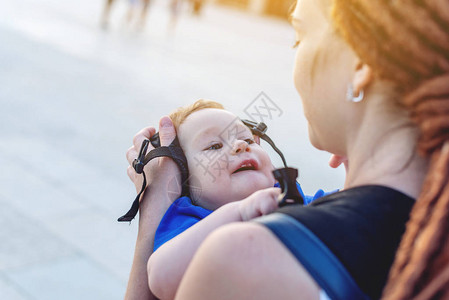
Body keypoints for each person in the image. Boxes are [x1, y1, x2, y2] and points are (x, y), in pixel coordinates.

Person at [126, 0, 449, 299]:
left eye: (299, 36)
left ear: (361, 63)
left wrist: (154, 204)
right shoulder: (430, 218)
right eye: (213, 145)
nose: (240, 145)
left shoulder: (243, 259)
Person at [124, 99, 330, 299]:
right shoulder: (187, 224)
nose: (240, 145)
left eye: (248, 140)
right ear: (184, 181)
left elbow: (356, 205)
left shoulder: (302, 202)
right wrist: (239, 212)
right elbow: (163, 277)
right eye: (214, 146)